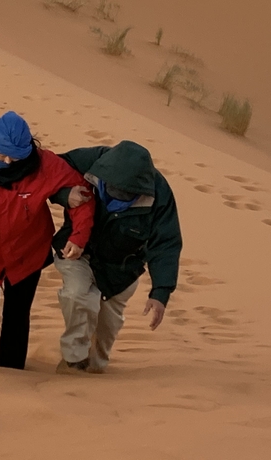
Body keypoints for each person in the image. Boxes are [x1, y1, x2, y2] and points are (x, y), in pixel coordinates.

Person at [0, 111, 95, 370]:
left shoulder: (46, 165)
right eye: (1, 153)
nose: (8, 161)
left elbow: (82, 198)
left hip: (28, 254)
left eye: (15, 155)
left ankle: (10, 379)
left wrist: (78, 237)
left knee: (17, 317)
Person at [51, 140, 182, 374]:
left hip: (122, 269)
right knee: (78, 295)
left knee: (106, 329)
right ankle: (74, 361)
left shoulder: (160, 195)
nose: (116, 198)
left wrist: (161, 292)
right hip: (77, 251)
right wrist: (64, 193)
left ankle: (94, 367)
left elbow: (166, 243)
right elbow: (46, 171)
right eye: (111, 190)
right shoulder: (90, 160)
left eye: (124, 195)